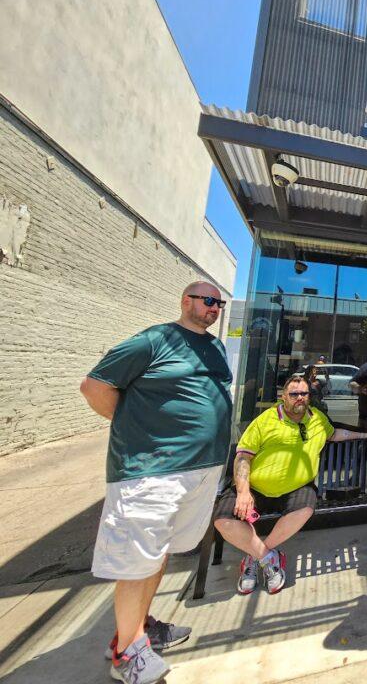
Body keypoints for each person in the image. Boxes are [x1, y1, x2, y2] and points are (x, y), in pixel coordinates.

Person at [80, 282, 232, 684]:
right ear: (187, 302)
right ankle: (127, 653)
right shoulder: (154, 340)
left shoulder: (214, 348)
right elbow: (94, 387)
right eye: (209, 301)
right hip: (152, 471)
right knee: (135, 560)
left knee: (156, 552)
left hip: (198, 469)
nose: (215, 308)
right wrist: (141, 430)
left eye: (220, 303)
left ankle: (140, 629)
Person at [213, 374, 367, 595]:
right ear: (283, 396)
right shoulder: (266, 420)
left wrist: (366, 433)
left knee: (306, 508)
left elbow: (334, 434)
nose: (300, 398)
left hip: (296, 488)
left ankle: (256, 556)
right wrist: (243, 491)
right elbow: (243, 457)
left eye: (304, 394)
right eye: (294, 394)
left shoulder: (317, 418)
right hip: (255, 488)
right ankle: (268, 558)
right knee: (223, 520)